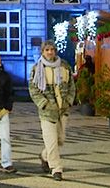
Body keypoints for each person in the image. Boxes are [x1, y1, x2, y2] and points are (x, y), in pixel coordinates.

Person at [29, 41, 76, 182]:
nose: (50, 52)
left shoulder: (64, 66)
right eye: (47, 50)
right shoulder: (37, 68)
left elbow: (71, 86)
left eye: (52, 49)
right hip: (47, 112)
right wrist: (44, 104)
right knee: (51, 142)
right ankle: (56, 168)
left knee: (60, 140)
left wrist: (68, 101)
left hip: (62, 110)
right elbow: (33, 89)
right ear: (43, 52)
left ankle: (44, 156)